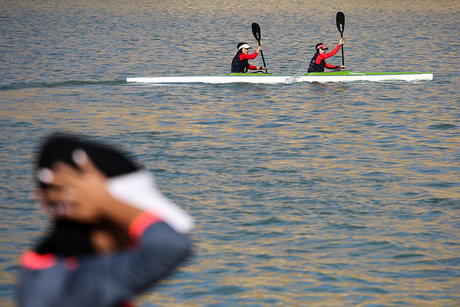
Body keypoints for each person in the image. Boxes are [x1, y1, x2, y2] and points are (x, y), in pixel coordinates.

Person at [18, 133, 193, 307]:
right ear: (103, 218)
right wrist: (107, 202)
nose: (136, 234)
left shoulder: (45, 270)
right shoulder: (85, 282)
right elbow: (171, 245)